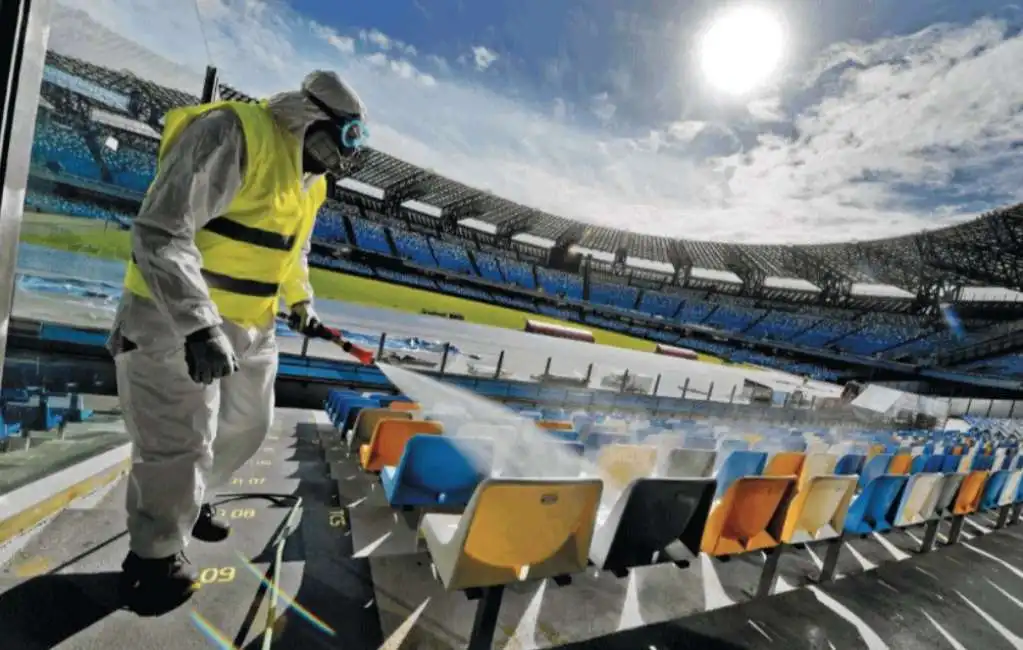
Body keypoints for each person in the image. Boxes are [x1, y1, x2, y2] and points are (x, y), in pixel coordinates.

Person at [107, 70, 367, 608]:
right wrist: (199, 324)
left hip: (253, 324)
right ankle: (151, 559)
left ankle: (193, 499)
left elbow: (293, 253)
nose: (339, 163)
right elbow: (162, 230)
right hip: (171, 315)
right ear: (307, 116)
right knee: (180, 440)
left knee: (251, 423)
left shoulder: (311, 183)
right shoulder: (233, 132)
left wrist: (302, 303)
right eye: (338, 143)